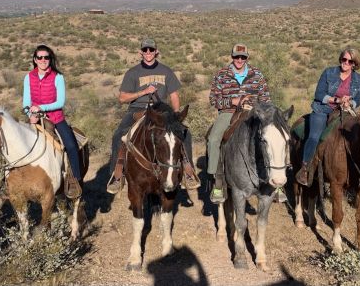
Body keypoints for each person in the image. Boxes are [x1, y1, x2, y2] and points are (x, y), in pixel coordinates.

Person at [106, 39, 200, 194]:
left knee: (185, 134)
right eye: (145, 50)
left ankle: (188, 172)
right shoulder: (133, 72)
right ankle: (116, 176)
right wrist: (143, 92)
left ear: (156, 51)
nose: (148, 53)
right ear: (140, 52)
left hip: (161, 110)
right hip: (137, 110)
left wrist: (176, 115)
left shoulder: (166, 71)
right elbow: (122, 98)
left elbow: (174, 95)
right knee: (118, 135)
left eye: (151, 50)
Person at [206, 43, 271, 203]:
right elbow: (214, 99)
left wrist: (256, 106)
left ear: (247, 58)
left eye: (243, 57)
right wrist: (233, 101)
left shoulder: (257, 75)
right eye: (236, 57)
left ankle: (276, 181)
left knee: (274, 137)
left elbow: (266, 99)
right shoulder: (221, 75)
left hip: (254, 113)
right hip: (229, 113)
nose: (239, 60)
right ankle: (217, 181)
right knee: (214, 139)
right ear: (232, 57)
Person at [295, 48, 360, 186]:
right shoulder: (329, 72)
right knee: (314, 137)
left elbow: (358, 100)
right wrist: (337, 100)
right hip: (323, 109)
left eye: (350, 61)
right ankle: (305, 168)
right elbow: (319, 94)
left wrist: (350, 102)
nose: (346, 63)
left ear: (354, 64)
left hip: (343, 111)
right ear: (340, 59)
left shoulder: (358, 79)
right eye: (344, 59)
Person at [22, 44, 82, 198]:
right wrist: (30, 113)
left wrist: (40, 108)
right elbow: (26, 102)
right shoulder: (28, 77)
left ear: (50, 59)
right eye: (40, 57)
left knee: (71, 146)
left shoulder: (58, 77)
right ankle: (12, 181)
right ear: (35, 60)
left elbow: (60, 102)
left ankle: (75, 179)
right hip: (34, 119)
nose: (43, 60)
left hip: (55, 118)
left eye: (46, 57)